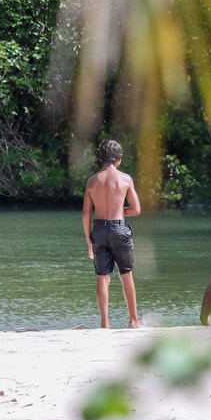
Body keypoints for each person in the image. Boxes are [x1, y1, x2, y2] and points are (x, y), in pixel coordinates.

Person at [82, 139, 142, 329]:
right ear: (119, 160)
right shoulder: (125, 179)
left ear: (101, 159)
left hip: (99, 229)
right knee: (126, 274)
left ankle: (105, 323)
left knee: (102, 276)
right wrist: (120, 211)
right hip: (119, 228)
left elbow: (85, 213)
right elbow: (137, 209)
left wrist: (88, 240)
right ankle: (133, 320)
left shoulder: (92, 181)